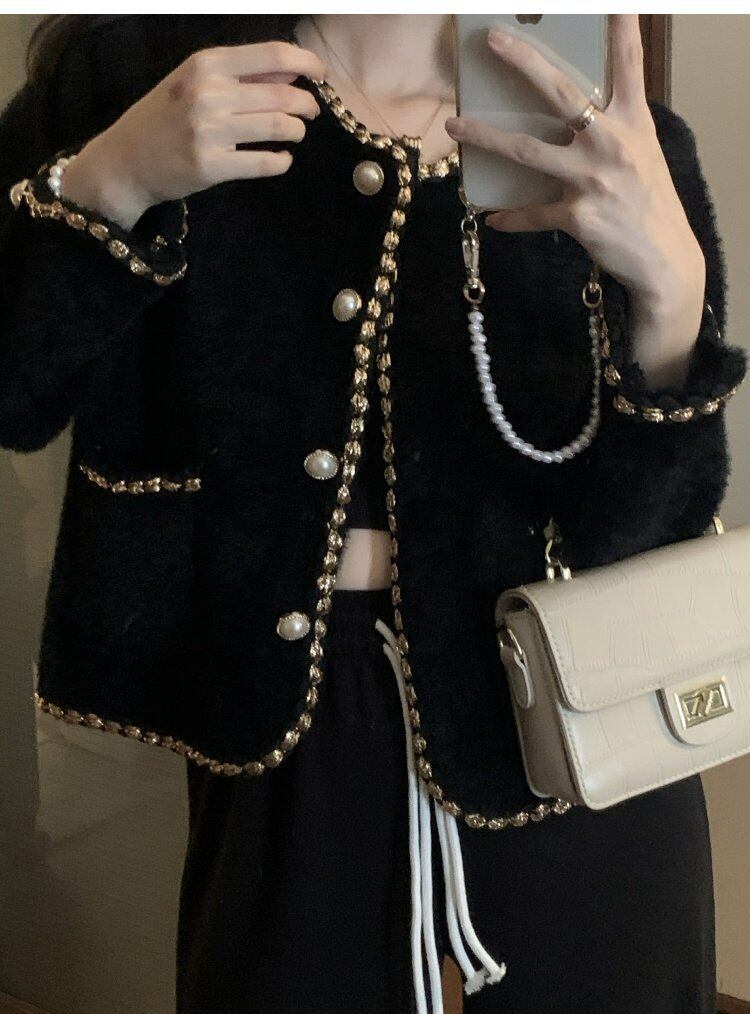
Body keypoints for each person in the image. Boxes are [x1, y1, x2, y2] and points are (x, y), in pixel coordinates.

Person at [1, 13, 745, 1013]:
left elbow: (652, 531)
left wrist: (672, 295)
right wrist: (109, 183)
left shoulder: (599, 126)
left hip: (579, 716)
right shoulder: (141, 73)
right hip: (290, 727)